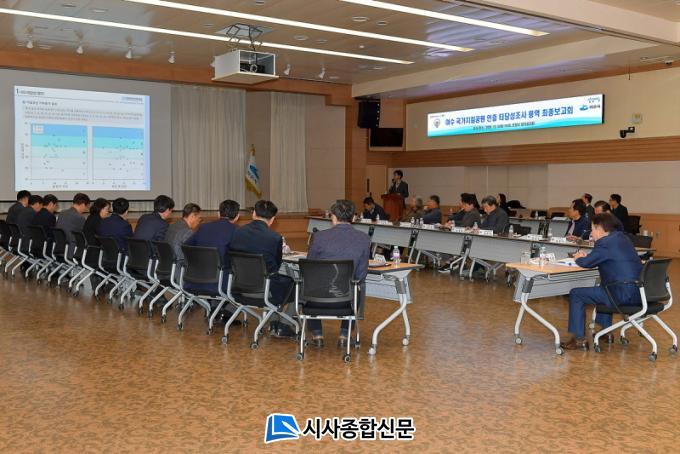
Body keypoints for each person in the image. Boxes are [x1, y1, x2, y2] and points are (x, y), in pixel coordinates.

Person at [561, 213, 643, 350]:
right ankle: (606, 332)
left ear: (599, 229)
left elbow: (586, 263)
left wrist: (578, 258)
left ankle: (579, 339)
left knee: (576, 294)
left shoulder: (605, 243)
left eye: (592, 229)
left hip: (622, 294)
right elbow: (604, 257)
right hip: (639, 293)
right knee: (603, 287)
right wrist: (588, 257)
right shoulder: (623, 238)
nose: (591, 233)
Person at [307, 199, 371, 348]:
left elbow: (310, 267)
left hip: (317, 298)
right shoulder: (364, 239)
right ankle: (344, 334)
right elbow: (361, 274)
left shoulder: (319, 237)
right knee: (357, 286)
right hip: (346, 299)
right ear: (353, 217)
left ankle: (317, 334)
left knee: (309, 284)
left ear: (333, 217)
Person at [229, 200, 296, 338]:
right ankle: (284, 325)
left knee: (272, 281)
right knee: (297, 285)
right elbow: (276, 266)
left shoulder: (237, 232)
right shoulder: (274, 238)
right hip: (265, 290)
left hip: (239, 288)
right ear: (272, 219)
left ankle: (273, 322)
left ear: (253, 214)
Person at [186, 199, 240, 269]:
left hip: (199, 272)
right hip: (223, 273)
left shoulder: (203, 227)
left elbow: (186, 246)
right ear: (237, 216)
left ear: (218, 214)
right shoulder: (237, 230)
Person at [56, 193, 91, 257]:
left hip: (59, 248)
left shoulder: (62, 213)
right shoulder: (79, 217)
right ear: (83, 205)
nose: (86, 209)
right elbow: (84, 236)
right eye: (87, 207)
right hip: (72, 250)